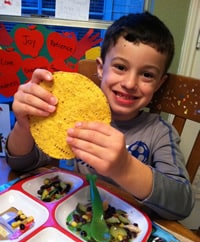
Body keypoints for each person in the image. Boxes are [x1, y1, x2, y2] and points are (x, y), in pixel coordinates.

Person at [6, 12, 194, 220]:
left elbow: (182, 202)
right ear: (101, 68)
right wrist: (23, 126)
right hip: (72, 220)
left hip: (126, 233)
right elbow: (22, 165)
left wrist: (125, 167)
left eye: (147, 75)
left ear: (159, 84)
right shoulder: (69, 115)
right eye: (120, 67)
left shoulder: (159, 132)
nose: (130, 83)